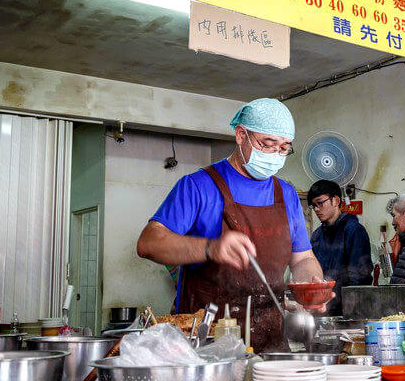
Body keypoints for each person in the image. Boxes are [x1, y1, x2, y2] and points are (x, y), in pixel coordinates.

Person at [136, 98, 332, 352]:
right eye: (268, 145)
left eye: (284, 148)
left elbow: (303, 258)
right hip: (207, 343)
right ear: (241, 135)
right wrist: (210, 248)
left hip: (269, 340)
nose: (275, 155)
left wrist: (311, 287)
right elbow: (148, 243)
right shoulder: (198, 186)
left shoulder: (286, 194)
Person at [308, 180, 373, 315]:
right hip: (323, 310)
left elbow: (360, 276)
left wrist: (351, 311)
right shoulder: (316, 236)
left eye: (320, 203)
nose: (316, 209)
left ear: (336, 201)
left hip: (349, 311)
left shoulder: (354, 231)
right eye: (313, 206)